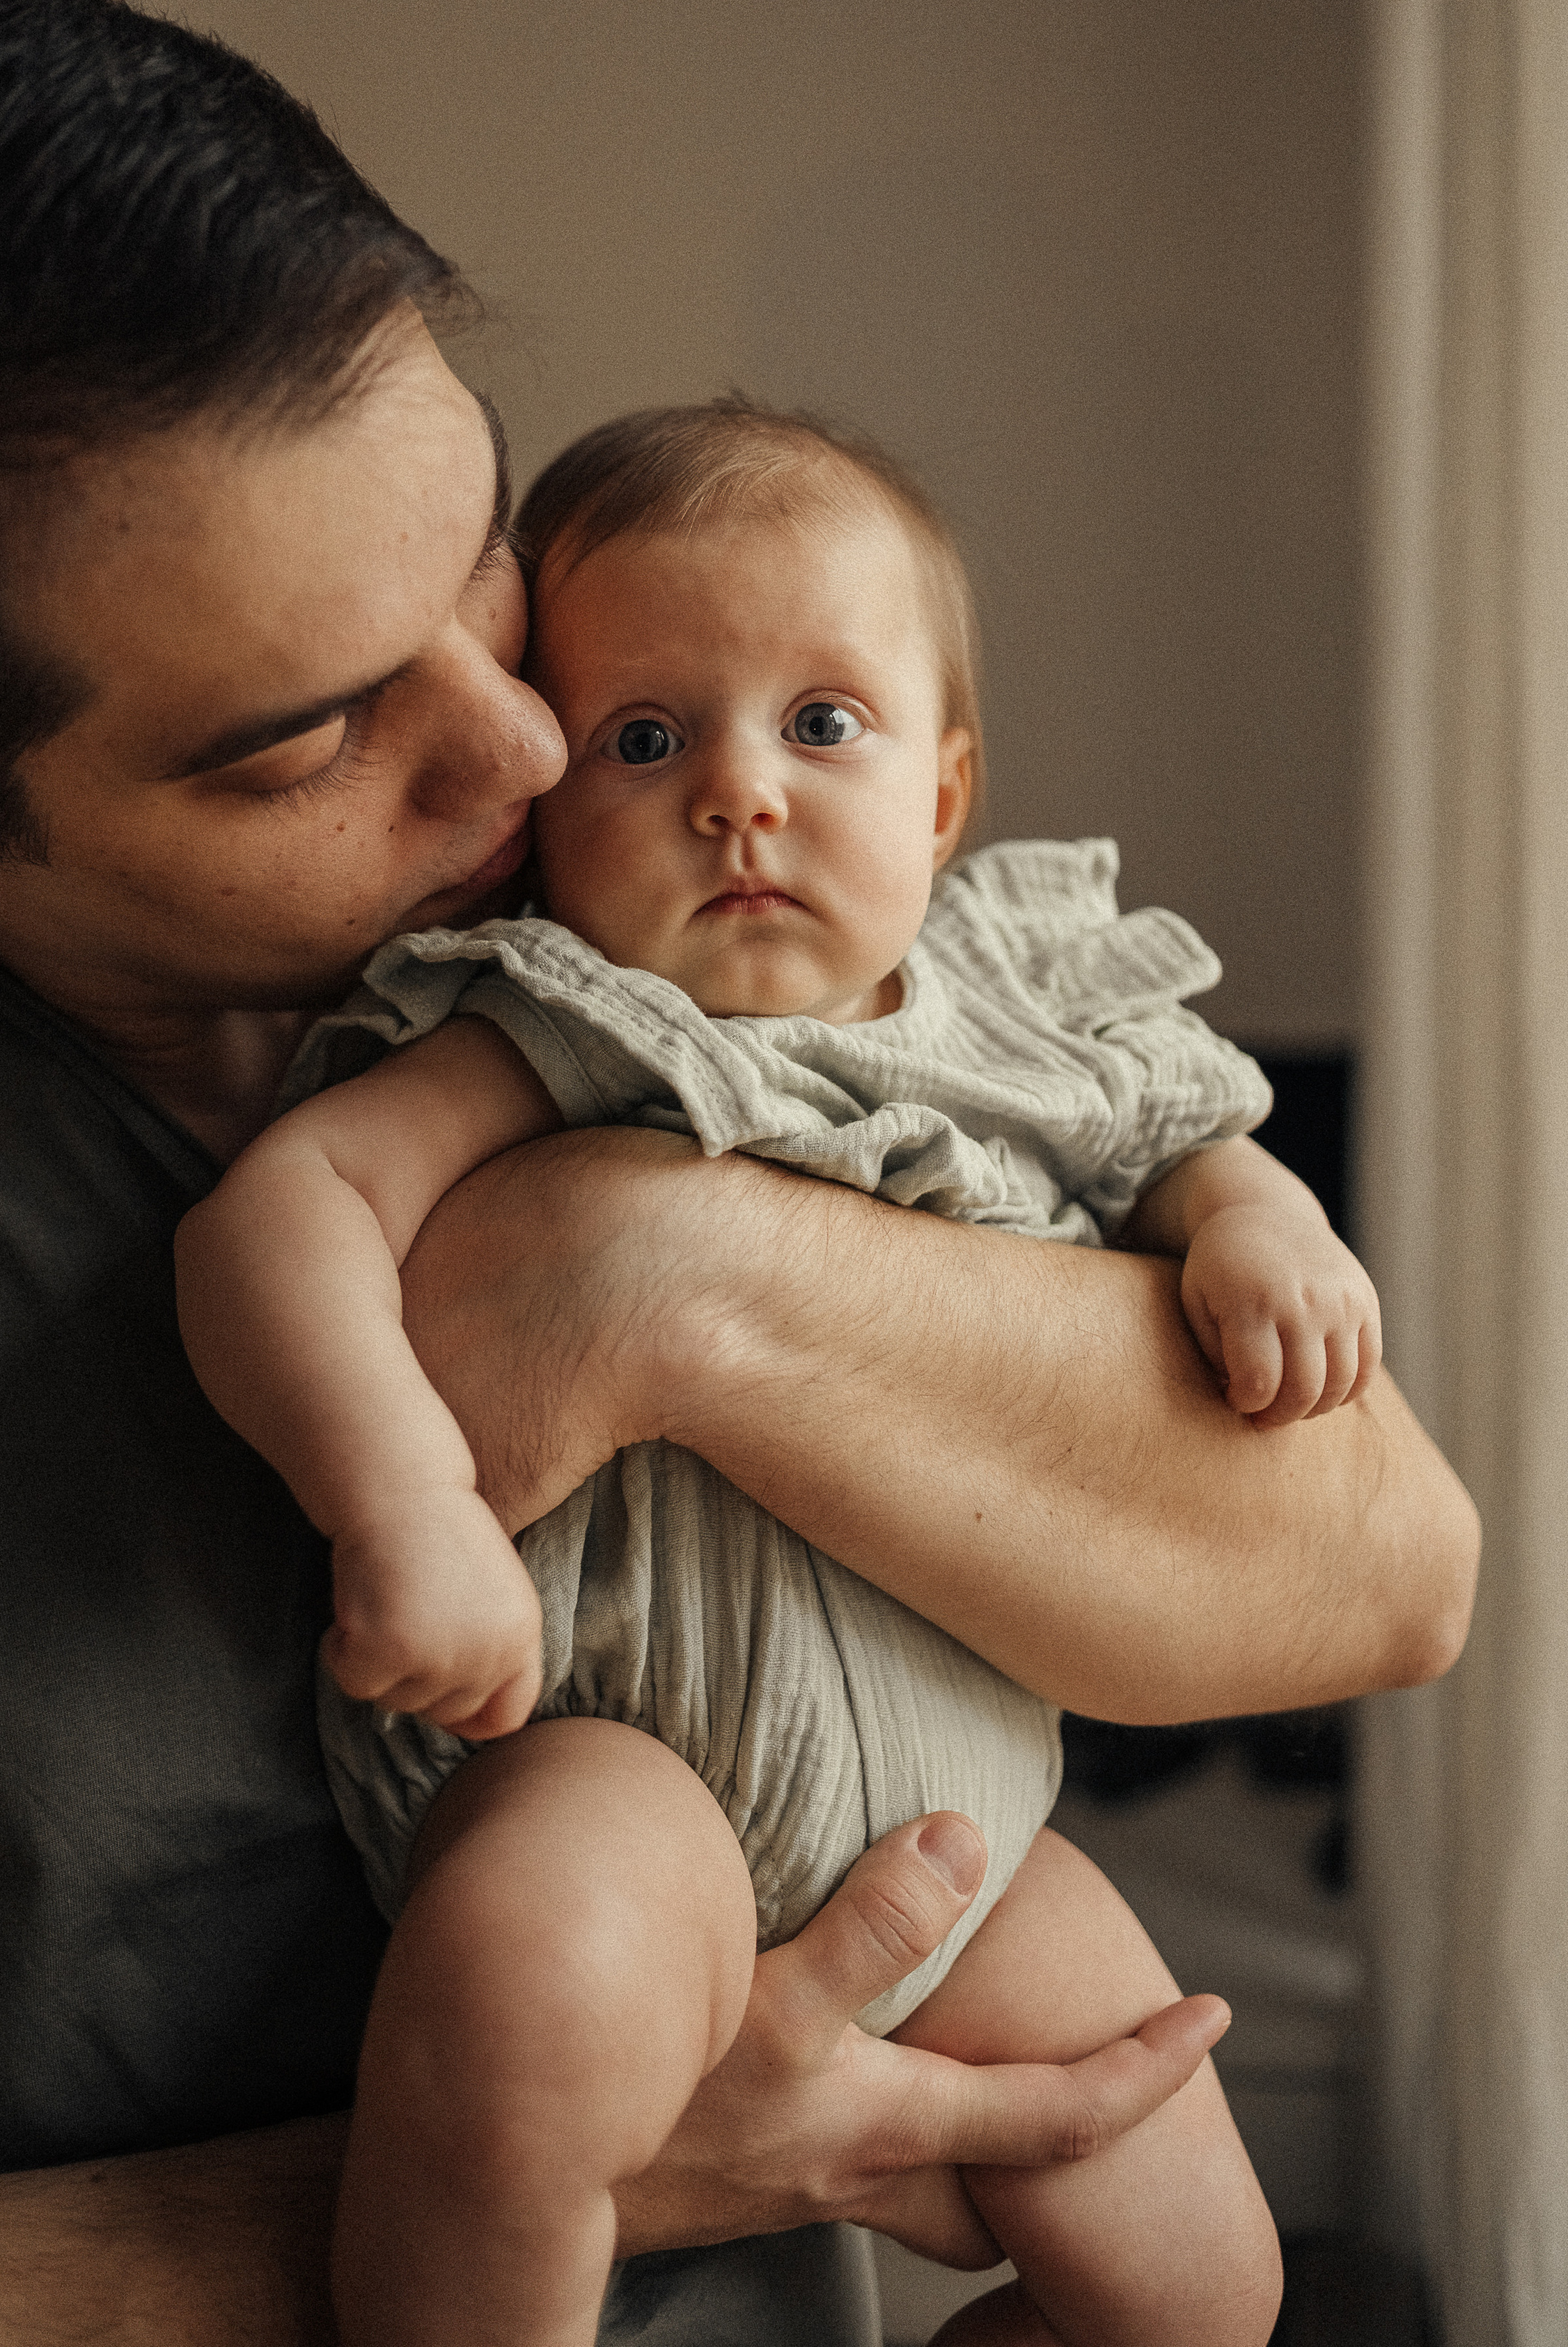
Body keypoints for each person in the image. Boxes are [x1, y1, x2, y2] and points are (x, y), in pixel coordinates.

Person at [0, 0, 1477, 2347]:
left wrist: (663, 1274)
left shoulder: (724, 918)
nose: (526, 745)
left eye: (474, 556)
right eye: (303, 740)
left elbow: (1392, 1576)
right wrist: (518, 2180)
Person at [175, 396, 1381, 2344]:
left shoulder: (1035, 1021)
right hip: (606, 1763)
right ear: (541, 818)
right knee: (521, 2022)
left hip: (964, 1826)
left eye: (821, 724)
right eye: (644, 740)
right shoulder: (569, 1020)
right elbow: (280, 1213)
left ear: (944, 792)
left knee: (1202, 2286)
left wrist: (1263, 1229)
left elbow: (1186, 1151)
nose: (737, 793)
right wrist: (397, 1497)